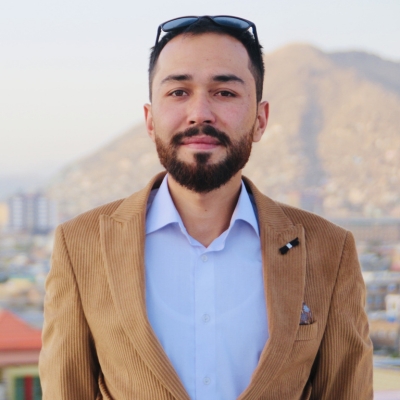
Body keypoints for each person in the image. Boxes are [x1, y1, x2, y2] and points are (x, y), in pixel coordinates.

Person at [39, 15, 373, 399]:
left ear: (260, 120)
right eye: (178, 92)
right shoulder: (81, 245)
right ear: (150, 121)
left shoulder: (329, 249)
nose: (200, 113)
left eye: (225, 93)